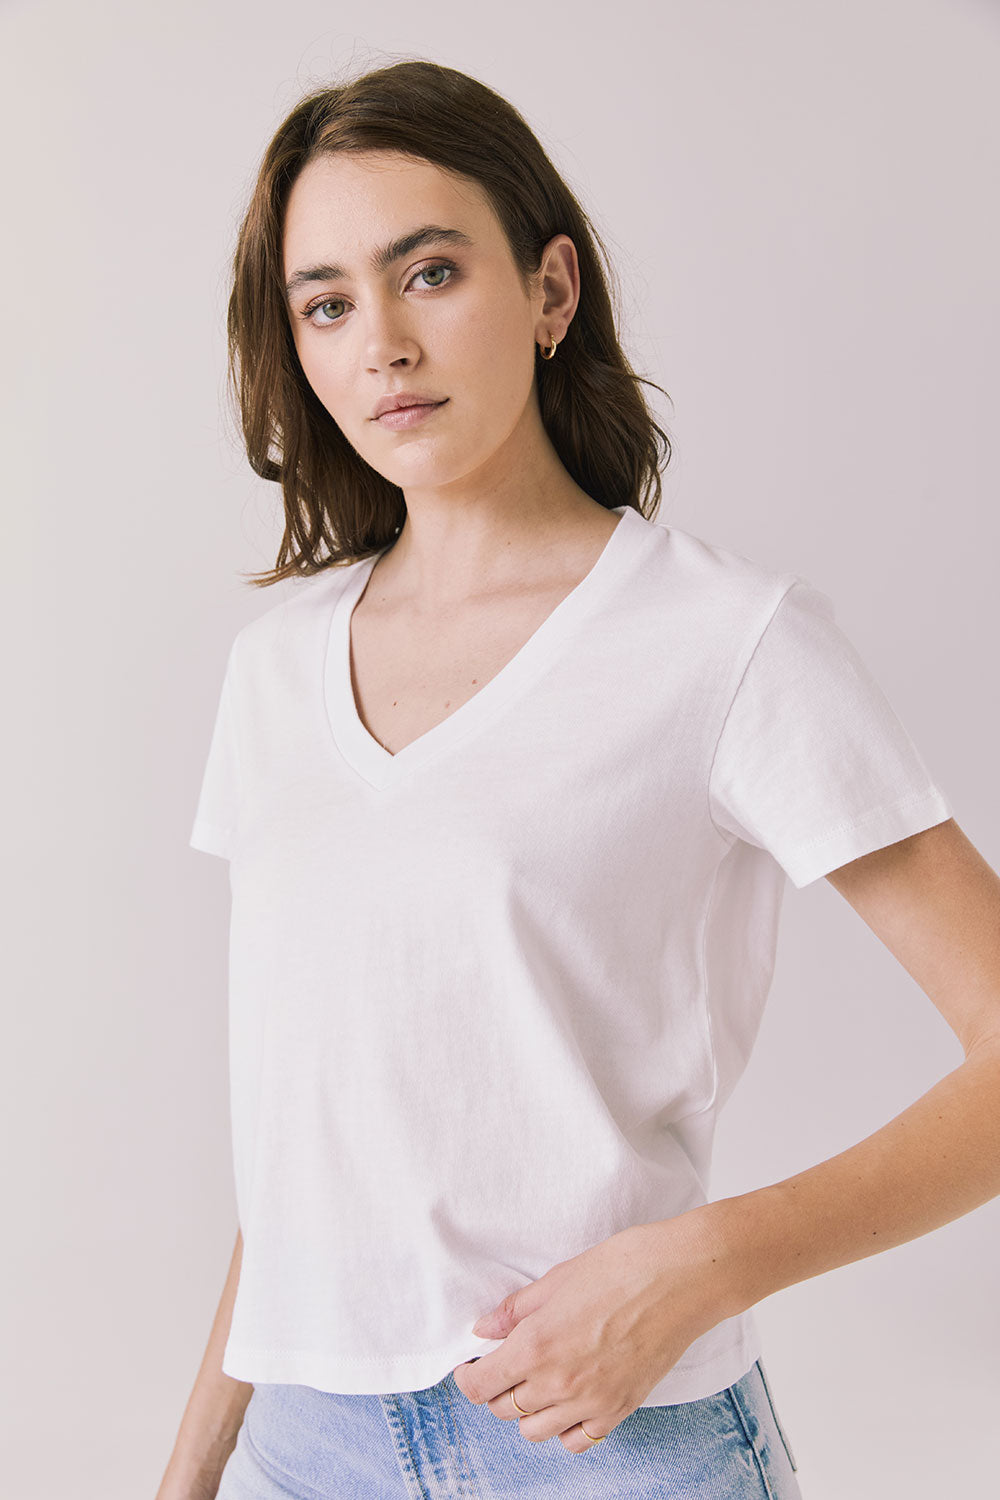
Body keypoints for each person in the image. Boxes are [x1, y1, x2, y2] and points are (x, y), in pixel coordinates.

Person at [157, 59, 1000, 1500]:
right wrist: (192, 1467)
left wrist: (706, 1264)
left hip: (615, 1452)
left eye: (429, 273)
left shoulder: (724, 642)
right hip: (304, 1450)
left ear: (550, 291)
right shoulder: (274, 674)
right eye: (327, 304)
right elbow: (312, 1139)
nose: (383, 344)